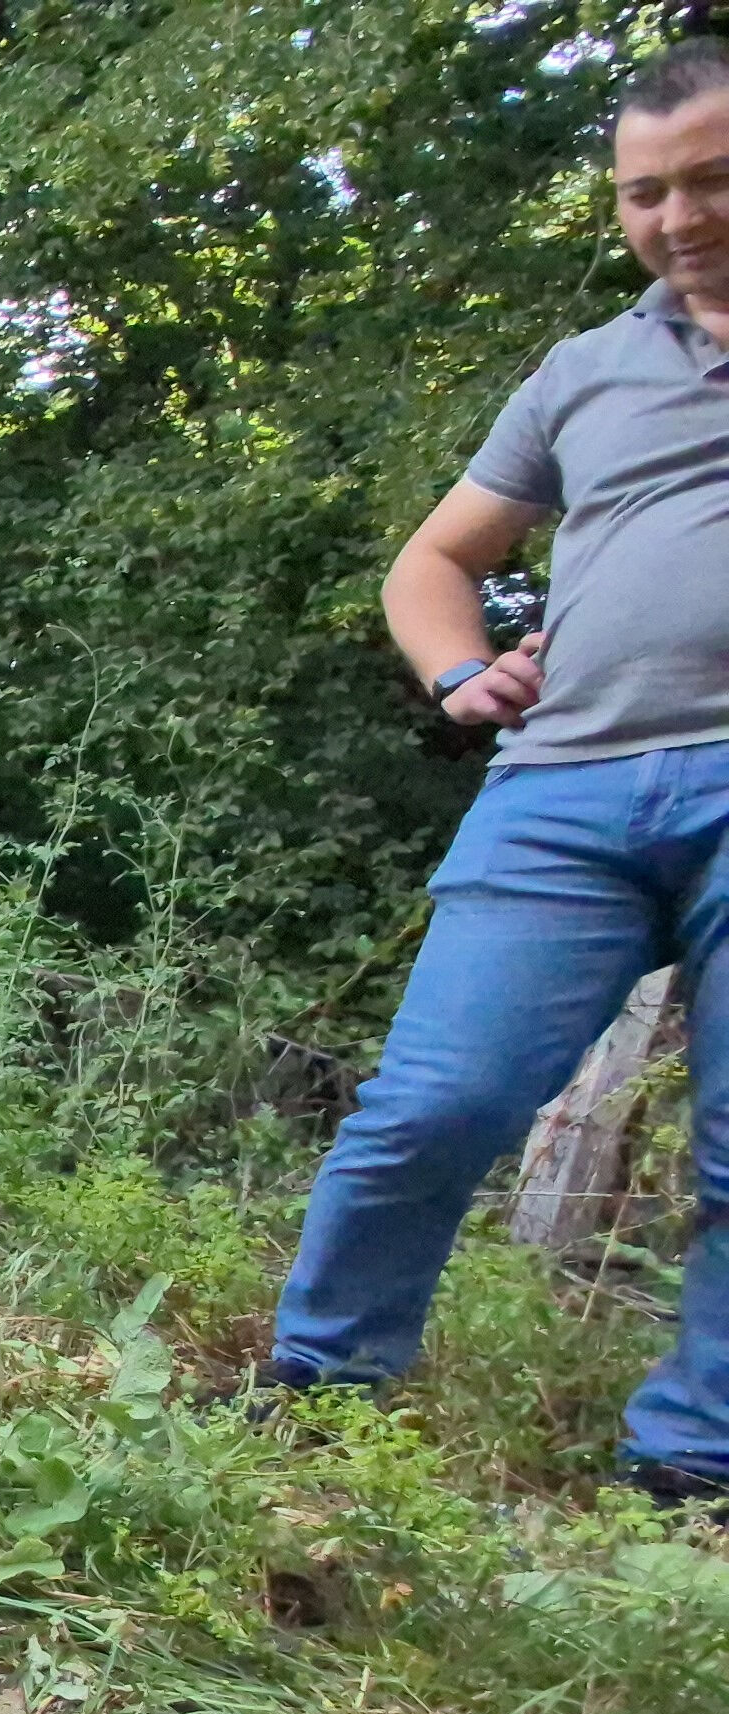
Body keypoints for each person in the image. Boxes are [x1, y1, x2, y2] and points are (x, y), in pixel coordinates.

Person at [269, 37, 729, 1488]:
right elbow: (435, 557)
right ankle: (320, 1402)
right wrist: (462, 671)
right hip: (565, 788)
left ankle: (690, 1477)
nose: (678, 218)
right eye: (646, 193)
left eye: (710, 180)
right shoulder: (587, 372)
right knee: (435, 1105)